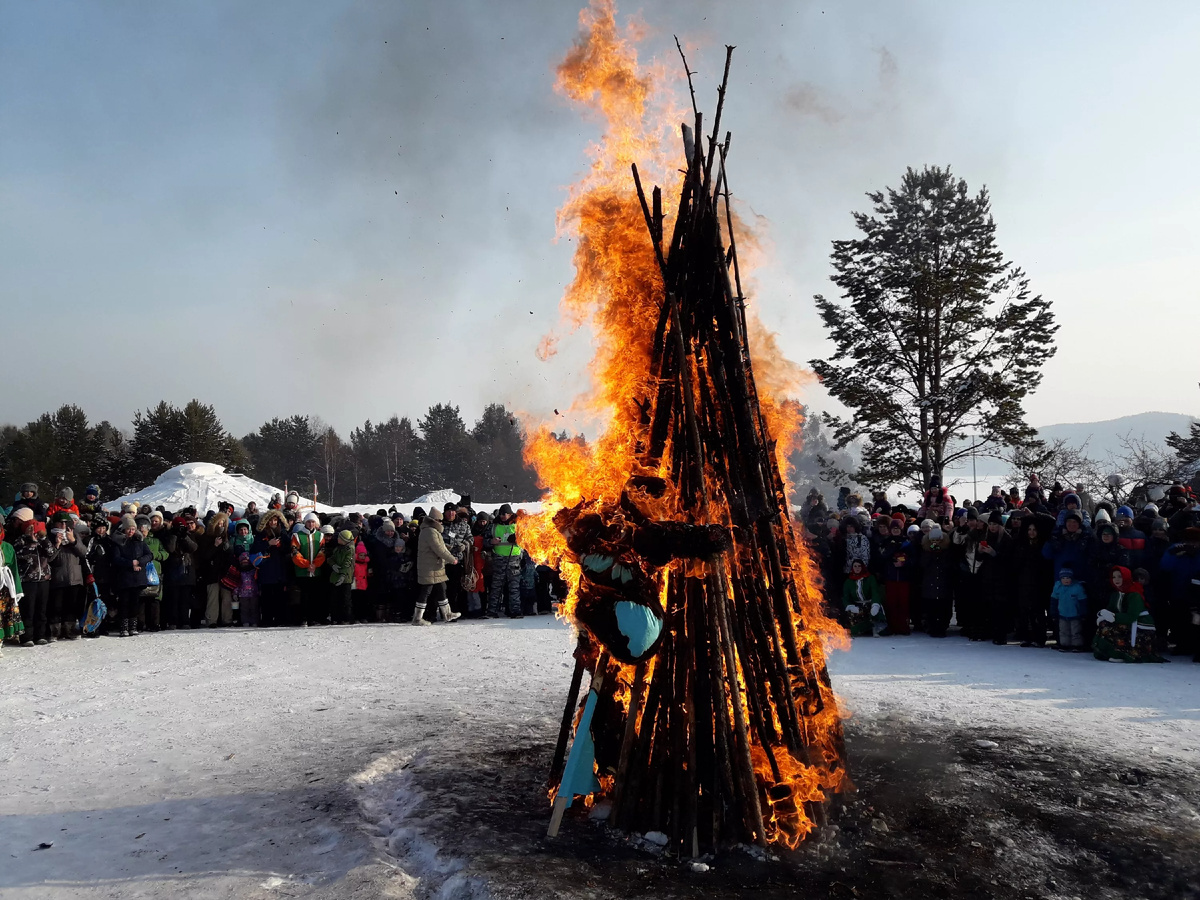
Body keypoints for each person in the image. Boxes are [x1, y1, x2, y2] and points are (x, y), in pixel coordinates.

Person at [1091, 565, 1164, 663]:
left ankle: (1122, 654)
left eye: (1120, 576)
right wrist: (1103, 616)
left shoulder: (1134, 594)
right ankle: (1107, 652)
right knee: (1104, 625)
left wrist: (1114, 617)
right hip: (1125, 621)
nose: (1116, 579)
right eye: (1114, 577)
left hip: (1140, 625)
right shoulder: (1116, 594)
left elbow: (1131, 616)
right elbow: (1111, 609)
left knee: (1113, 629)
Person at [414, 507, 461, 625]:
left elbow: (440, 545)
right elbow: (438, 548)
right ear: (434, 520)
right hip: (429, 567)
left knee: (442, 588)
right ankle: (417, 618)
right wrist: (452, 559)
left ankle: (447, 613)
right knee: (426, 591)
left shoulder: (431, 531)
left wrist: (449, 548)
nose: (441, 523)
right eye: (440, 520)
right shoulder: (430, 531)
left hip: (435, 567)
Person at [110, 515, 153, 637]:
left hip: (138, 577)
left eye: (133, 529)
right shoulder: (118, 541)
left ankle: (133, 626)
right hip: (124, 577)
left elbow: (149, 555)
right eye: (129, 529)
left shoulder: (139, 541)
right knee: (124, 602)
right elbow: (116, 558)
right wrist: (131, 563)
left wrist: (139, 562)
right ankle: (123, 627)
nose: (131, 531)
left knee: (135, 602)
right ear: (124, 529)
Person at [47, 511, 87, 640]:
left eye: (65, 522)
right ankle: (55, 631)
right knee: (56, 605)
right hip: (58, 576)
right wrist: (57, 545)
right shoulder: (50, 536)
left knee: (71, 605)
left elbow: (84, 553)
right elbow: (48, 559)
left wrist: (73, 541)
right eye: (60, 523)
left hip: (74, 576)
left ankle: (70, 629)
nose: (63, 525)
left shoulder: (73, 534)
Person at [12, 518, 52, 645]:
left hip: (43, 579)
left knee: (42, 609)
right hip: (28, 579)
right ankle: (27, 637)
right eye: (31, 529)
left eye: (36, 529)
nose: (34, 532)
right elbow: (19, 554)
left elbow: (51, 553)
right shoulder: (21, 541)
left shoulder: (43, 541)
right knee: (28, 609)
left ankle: (40, 635)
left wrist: (42, 539)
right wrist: (30, 542)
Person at [250, 510, 290, 627]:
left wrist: (280, 546)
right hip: (266, 570)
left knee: (279, 597)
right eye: (270, 520)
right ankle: (266, 619)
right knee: (266, 597)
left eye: (275, 520)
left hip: (279, 570)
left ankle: (279, 619)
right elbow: (254, 549)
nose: (273, 522)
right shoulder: (261, 534)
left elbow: (289, 549)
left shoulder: (283, 533)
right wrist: (268, 544)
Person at [486, 504, 524, 619]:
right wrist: (491, 542)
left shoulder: (518, 525)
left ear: (510, 514)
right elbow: (484, 541)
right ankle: (492, 611)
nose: (503, 516)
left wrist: (518, 539)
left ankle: (515, 611)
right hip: (499, 559)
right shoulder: (493, 526)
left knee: (514, 587)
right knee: (496, 587)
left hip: (514, 559)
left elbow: (528, 540)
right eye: (501, 514)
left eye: (505, 514)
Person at [162, 515, 199, 630]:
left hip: (187, 571)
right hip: (173, 571)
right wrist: (174, 535)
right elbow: (170, 549)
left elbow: (194, 547)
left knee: (185, 599)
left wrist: (184, 536)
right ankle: (173, 621)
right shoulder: (169, 535)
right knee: (174, 599)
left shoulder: (189, 535)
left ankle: (185, 621)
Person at [291, 512, 326, 626]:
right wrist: (307, 564)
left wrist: (315, 564)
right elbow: (295, 553)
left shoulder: (320, 536)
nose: (311, 524)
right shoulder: (297, 536)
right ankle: (303, 618)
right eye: (309, 522)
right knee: (303, 596)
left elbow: (322, 552)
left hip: (316, 571)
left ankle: (313, 618)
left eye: (313, 522)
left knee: (314, 596)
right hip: (302, 572)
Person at [920, 524, 956, 637]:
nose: (935, 543)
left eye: (938, 540)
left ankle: (942, 628)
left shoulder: (947, 552)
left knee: (944, 610)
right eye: (933, 540)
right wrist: (931, 552)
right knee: (931, 609)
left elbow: (949, 566)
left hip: (943, 586)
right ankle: (932, 628)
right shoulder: (925, 552)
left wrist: (940, 553)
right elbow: (923, 565)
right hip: (930, 586)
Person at [840, 558, 887, 636]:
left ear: (862, 567)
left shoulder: (870, 578)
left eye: (859, 566)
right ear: (852, 568)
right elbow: (846, 597)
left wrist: (875, 605)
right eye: (855, 566)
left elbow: (875, 593)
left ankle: (874, 627)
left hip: (870, 604)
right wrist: (850, 606)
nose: (857, 568)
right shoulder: (848, 582)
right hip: (857, 607)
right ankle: (868, 627)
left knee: (879, 623)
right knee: (853, 630)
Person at [0, 520, 24, 653]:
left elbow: (14, 569)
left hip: (4, 587)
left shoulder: (8, 547)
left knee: (4, 614)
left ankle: (0, 641)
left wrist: (17, 590)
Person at [1050, 568, 1088, 651]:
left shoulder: (1077, 587)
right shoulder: (1058, 587)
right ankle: (1065, 644)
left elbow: (1082, 601)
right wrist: (1053, 612)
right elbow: (1054, 601)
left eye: (1068, 578)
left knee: (1076, 631)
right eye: (1063, 578)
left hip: (1075, 614)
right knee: (1063, 631)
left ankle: (1076, 645)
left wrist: (1083, 613)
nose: (1065, 580)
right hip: (1062, 614)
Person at [327, 530, 356, 624]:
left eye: (340, 538)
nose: (338, 539)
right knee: (335, 599)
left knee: (345, 599)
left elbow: (347, 563)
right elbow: (331, 558)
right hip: (335, 576)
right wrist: (333, 565)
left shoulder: (350, 549)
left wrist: (343, 575)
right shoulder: (338, 548)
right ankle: (335, 617)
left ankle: (346, 618)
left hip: (346, 578)